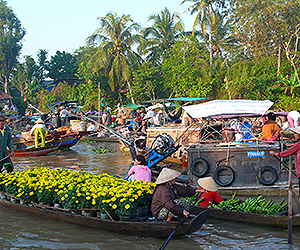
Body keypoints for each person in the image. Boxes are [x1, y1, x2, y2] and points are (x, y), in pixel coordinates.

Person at [270, 126, 300, 194]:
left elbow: (287, 152)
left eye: (296, 133)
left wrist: (276, 154)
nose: (294, 135)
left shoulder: (298, 145)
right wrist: (292, 145)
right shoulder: (297, 144)